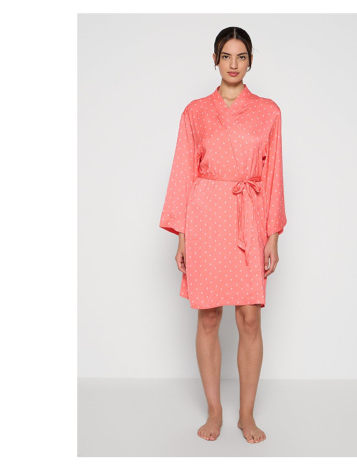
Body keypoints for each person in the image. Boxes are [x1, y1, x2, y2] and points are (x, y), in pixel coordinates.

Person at [159, 26, 287, 444]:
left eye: (241, 56)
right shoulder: (195, 112)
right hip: (205, 217)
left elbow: (273, 175)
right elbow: (183, 172)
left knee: (249, 316)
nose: (234, 64)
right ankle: (214, 410)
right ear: (215, 59)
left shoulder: (268, 111)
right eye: (226, 56)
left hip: (248, 216)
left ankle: (246, 414)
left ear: (250, 62)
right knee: (209, 315)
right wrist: (181, 235)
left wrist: (272, 235)